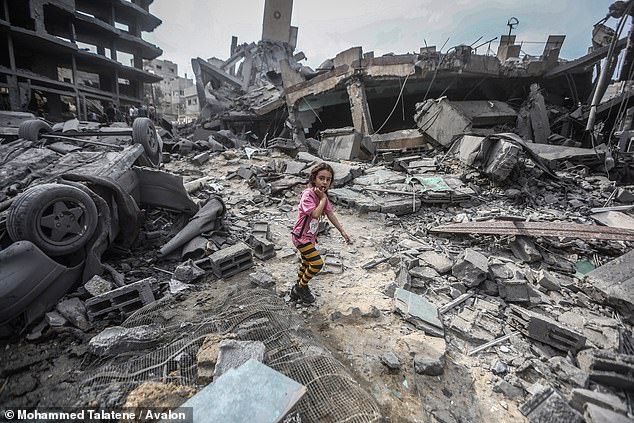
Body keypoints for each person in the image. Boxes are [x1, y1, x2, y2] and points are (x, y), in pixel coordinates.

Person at [290, 162, 350, 304]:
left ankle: (296, 289)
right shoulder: (308, 195)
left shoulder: (322, 196)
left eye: (328, 179)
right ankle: (301, 287)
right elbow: (316, 214)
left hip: (309, 238)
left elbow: (330, 214)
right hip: (300, 237)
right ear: (314, 179)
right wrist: (322, 199)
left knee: (306, 263)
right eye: (321, 178)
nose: (324, 182)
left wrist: (342, 231)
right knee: (316, 263)